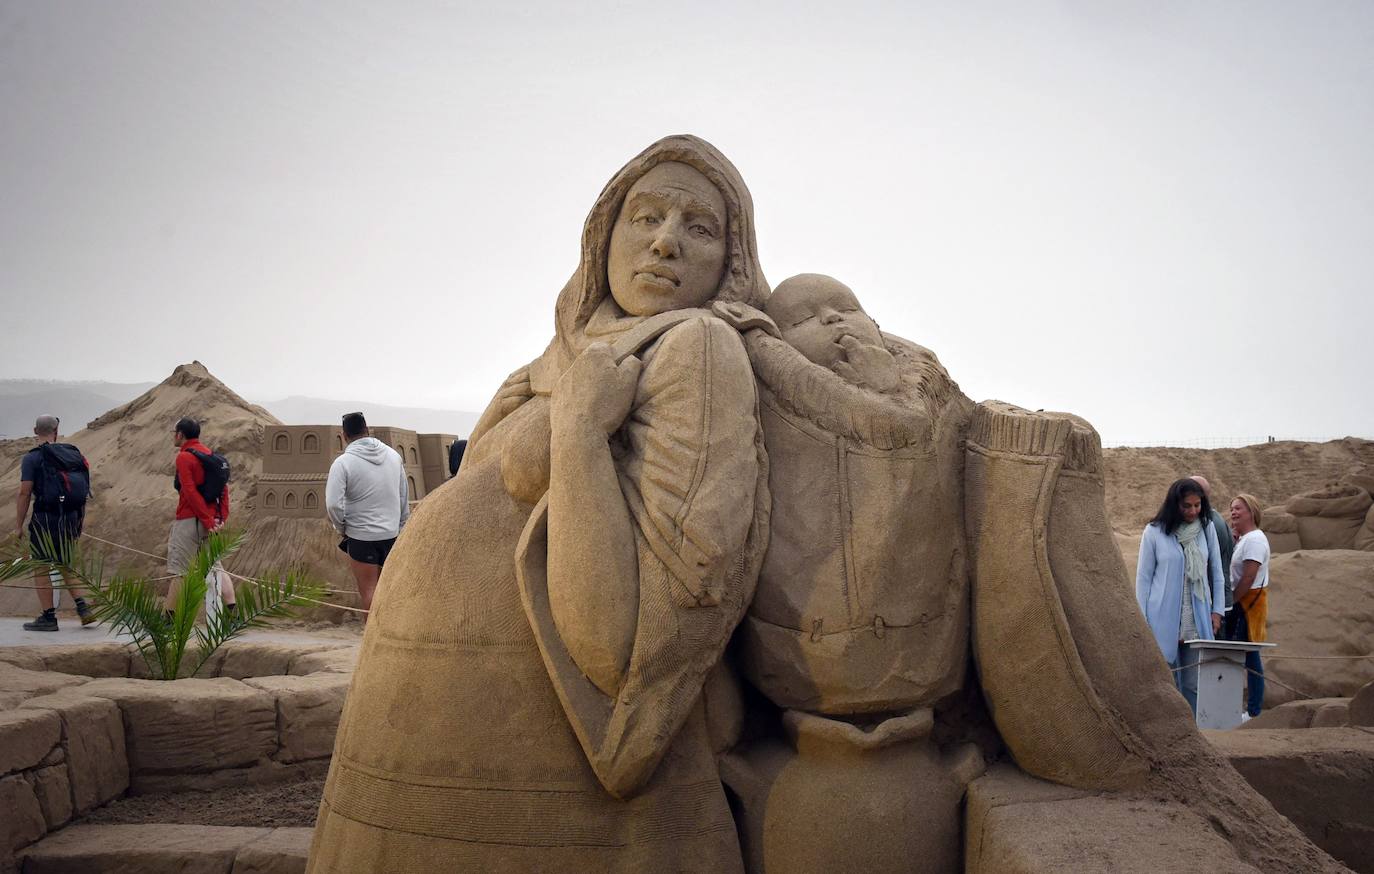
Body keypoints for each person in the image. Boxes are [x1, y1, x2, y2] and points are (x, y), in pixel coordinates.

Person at [308, 135, 770, 873]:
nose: (664, 243)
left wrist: (582, 434)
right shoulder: (555, 361)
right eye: (644, 217)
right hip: (421, 758)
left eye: (699, 228)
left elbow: (617, 655)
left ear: (732, 264)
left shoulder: (698, 352)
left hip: (544, 798)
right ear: (602, 236)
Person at [1136, 477, 1226, 714]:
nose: (1193, 511)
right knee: (1166, 683)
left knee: (1193, 683)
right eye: (1187, 506)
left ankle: (1194, 735)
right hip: (1161, 620)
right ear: (1174, 504)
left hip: (1197, 619)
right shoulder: (1154, 532)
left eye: (1197, 505)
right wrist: (1143, 619)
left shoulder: (1206, 529)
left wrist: (1217, 611)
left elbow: (1217, 572)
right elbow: (1143, 579)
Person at [324, 412, 409, 615]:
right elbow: (403, 495)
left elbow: (333, 505)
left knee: (369, 592)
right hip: (391, 533)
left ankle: (373, 644)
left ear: (344, 435)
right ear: (367, 429)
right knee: (389, 592)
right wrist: (400, 526)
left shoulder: (343, 463)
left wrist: (343, 527)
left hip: (361, 537)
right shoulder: (393, 456)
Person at [16, 415, 95, 631]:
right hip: (70, 517)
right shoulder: (70, 454)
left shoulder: (32, 458)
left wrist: (18, 526)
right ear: (56, 431)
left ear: (35, 430)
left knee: (40, 566)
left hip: (45, 517)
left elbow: (25, 493)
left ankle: (48, 617)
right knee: (65, 562)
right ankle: (83, 607)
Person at [165, 417, 233, 614]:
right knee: (216, 567)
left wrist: (206, 519)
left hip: (190, 520)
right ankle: (232, 612)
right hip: (211, 520)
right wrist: (219, 518)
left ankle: (167, 620)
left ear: (180, 434)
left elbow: (189, 491)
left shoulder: (184, 457)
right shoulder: (210, 455)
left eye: (174, 433)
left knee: (180, 571)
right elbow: (223, 489)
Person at [1229, 493, 1271, 718]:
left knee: (1250, 655)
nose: (1233, 512)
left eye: (1239, 508)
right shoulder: (1246, 539)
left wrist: (1232, 600)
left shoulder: (1255, 539)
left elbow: (1248, 576)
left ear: (1251, 512)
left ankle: (1254, 711)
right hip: (1243, 601)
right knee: (1245, 654)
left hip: (1248, 603)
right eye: (1232, 509)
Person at [1190, 475, 1235, 620]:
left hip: (1215, 606)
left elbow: (1212, 568)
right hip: (1218, 602)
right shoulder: (1214, 519)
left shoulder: (1209, 524)